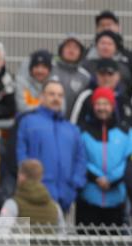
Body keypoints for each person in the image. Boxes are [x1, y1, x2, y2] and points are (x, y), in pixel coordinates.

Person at [15, 80, 86, 215]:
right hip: (35, 197)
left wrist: (74, 185)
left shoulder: (72, 129)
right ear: (42, 97)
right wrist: (30, 184)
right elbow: (21, 155)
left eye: (60, 95)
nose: (56, 98)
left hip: (65, 197)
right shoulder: (28, 122)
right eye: (51, 94)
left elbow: (80, 159)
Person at [77, 87, 132, 225]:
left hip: (117, 197)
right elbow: (80, 158)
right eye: (98, 104)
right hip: (89, 197)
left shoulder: (126, 130)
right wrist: (96, 177)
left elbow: (130, 158)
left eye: (106, 104)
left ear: (112, 106)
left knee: (114, 243)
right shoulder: (83, 130)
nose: (102, 108)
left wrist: (112, 179)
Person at [69, 58, 132, 128]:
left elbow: (131, 127)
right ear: (96, 76)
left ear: (118, 76)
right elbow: (74, 125)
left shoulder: (124, 99)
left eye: (110, 74)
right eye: (102, 74)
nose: (106, 78)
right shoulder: (86, 97)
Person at [53, 35, 92, 119]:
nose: (71, 50)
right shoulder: (50, 70)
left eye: (75, 48)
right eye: (68, 46)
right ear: (61, 50)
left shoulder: (85, 77)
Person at [16, 50, 53, 114]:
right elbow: (22, 108)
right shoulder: (22, 84)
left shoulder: (54, 85)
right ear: (31, 69)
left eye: (44, 67)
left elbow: (61, 108)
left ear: (49, 70)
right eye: (36, 66)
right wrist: (42, 103)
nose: (40, 71)